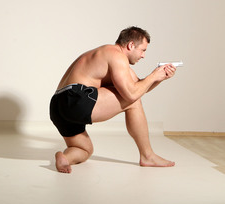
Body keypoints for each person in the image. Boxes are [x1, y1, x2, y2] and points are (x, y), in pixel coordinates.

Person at [49, 26, 177, 173]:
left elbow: (139, 87)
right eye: (143, 50)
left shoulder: (106, 54)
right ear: (130, 45)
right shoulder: (116, 56)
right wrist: (153, 75)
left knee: (84, 149)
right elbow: (132, 95)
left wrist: (160, 77)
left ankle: (65, 157)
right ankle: (147, 155)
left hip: (58, 106)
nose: (143, 56)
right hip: (76, 99)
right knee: (133, 101)